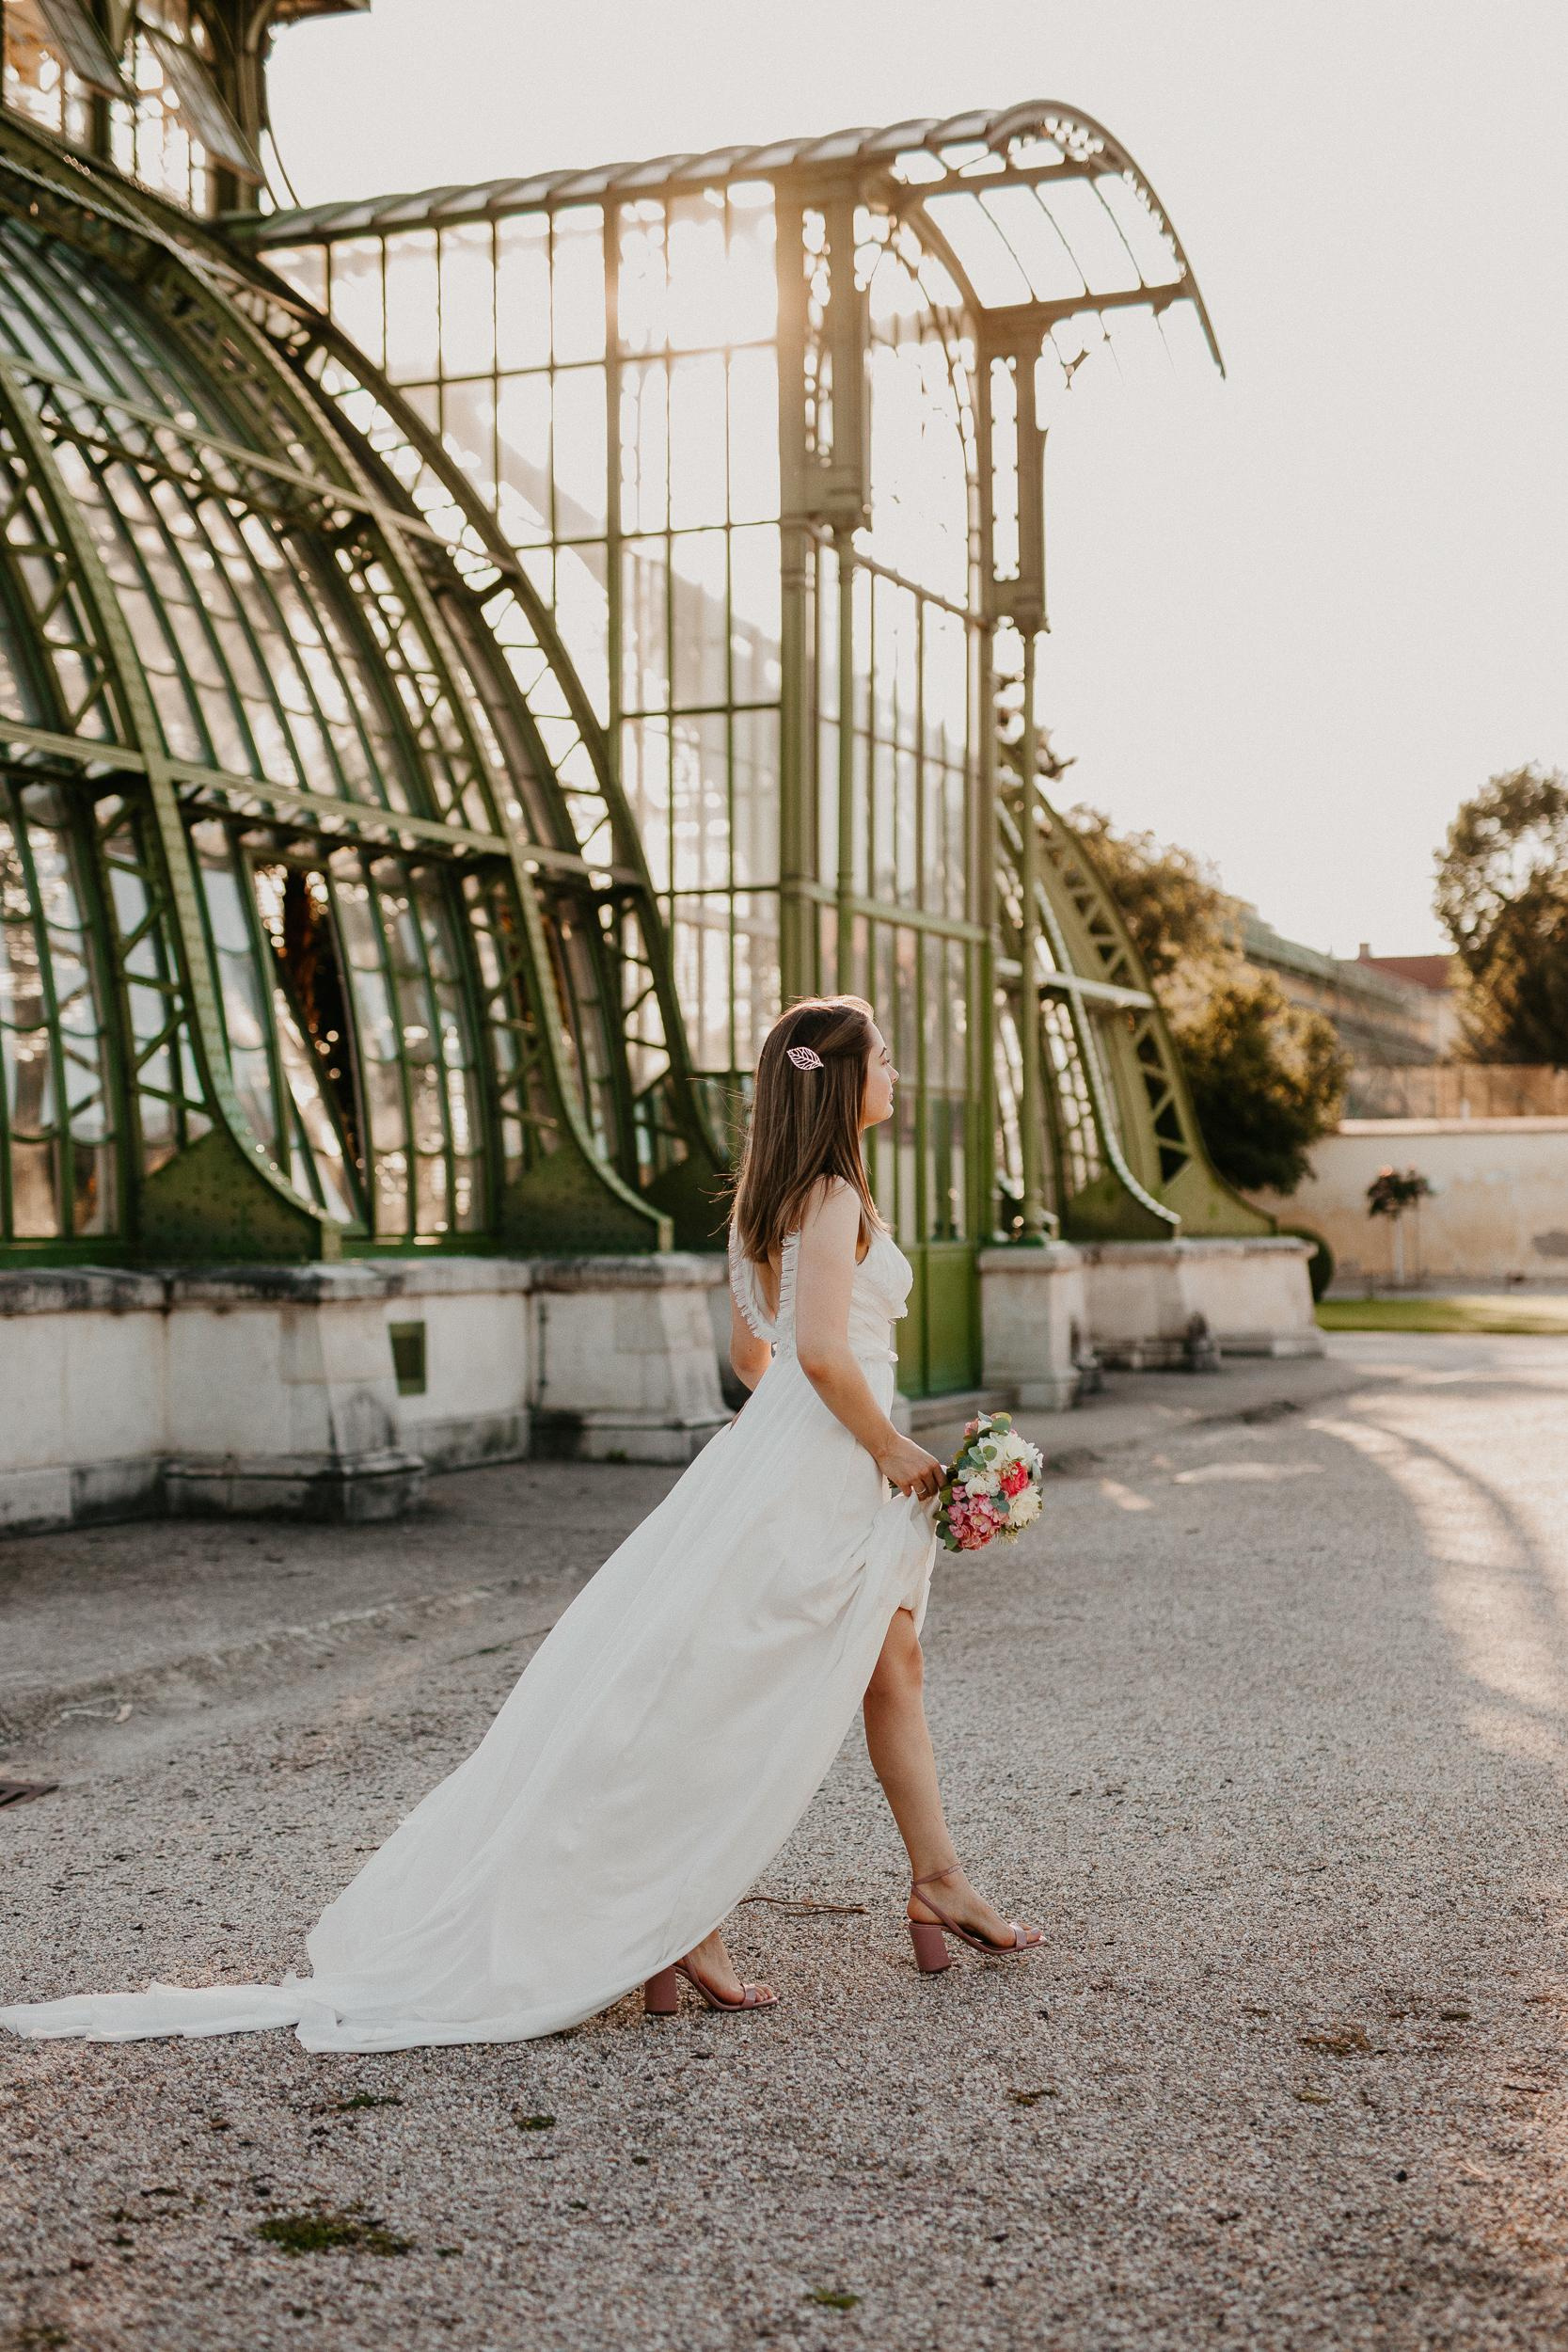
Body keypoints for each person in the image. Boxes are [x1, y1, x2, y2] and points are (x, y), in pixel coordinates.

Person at [0, 994, 1041, 2053]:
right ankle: (688, 1915)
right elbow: (818, 1351)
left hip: (781, 1455)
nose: (897, 1075)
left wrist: (808, 1434)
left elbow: (750, 1360)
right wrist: (887, 1446)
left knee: (882, 1662)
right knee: (740, 1686)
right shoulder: (826, 1196)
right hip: (829, 1459)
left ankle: (929, 1880)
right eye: (886, 1060)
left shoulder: (767, 1202)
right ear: (842, 1083)